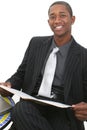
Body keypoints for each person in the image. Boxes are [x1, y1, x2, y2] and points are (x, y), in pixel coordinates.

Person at [0, 1, 87, 130]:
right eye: (52, 17)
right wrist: (10, 85)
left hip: (64, 110)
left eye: (62, 15)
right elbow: (21, 74)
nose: (57, 20)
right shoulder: (36, 44)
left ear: (72, 19)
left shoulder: (83, 55)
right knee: (20, 108)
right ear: (48, 22)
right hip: (31, 105)